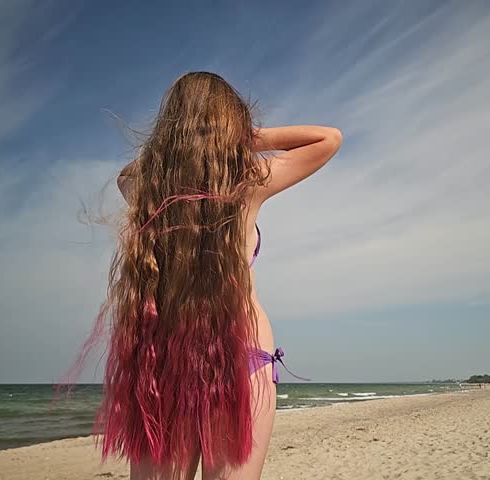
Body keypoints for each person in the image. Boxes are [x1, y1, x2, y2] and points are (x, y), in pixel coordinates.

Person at [66, 72, 341, 480]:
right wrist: (243, 137)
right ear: (232, 124)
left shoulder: (148, 189)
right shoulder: (249, 183)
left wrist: (177, 146)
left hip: (165, 357)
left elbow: (127, 174)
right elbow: (327, 138)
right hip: (242, 348)